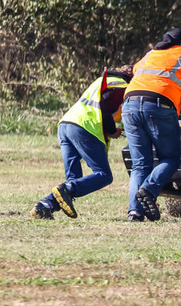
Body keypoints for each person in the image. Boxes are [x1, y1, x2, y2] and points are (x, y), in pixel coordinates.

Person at [122, 28, 181, 221]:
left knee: (140, 165)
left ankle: (135, 212)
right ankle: (148, 189)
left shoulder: (149, 55)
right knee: (170, 158)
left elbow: (147, 85)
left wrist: (177, 108)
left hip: (128, 106)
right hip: (158, 107)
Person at [30, 66, 133, 219]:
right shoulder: (120, 86)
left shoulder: (102, 80)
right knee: (103, 175)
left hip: (66, 124)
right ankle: (63, 192)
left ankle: (45, 206)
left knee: (73, 181)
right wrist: (112, 130)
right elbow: (104, 110)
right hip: (85, 126)